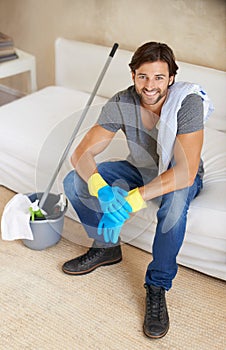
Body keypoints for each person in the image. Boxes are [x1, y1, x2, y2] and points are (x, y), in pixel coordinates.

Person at [62, 41, 213, 339]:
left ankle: (157, 286)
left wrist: (131, 200)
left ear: (171, 77)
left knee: (175, 203)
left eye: (159, 77)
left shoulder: (188, 103)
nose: (150, 85)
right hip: (139, 168)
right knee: (73, 181)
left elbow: (185, 172)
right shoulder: (122, 102)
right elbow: (80, 154)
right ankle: (106, 248)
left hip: (176, 174)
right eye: (143, 76)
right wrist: (102, 190)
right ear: (133, 75)